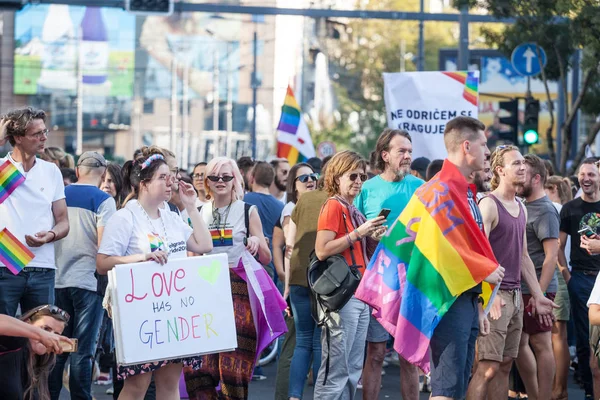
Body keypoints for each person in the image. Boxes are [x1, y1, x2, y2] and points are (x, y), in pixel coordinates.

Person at [97, 151, 212, 400]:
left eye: (171, 176)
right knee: (137, 387)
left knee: (169, 385)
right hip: (139, 316)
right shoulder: (124, 217)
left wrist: (192, 207)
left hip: (173, 315)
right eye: (163, 177)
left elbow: (204, 245)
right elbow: (102, 263)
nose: (170, 182)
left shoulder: (172, 217)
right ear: (144, 183)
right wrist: (140, 259)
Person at [467, 146, 557, 400]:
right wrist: (489, 296)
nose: (523, 167)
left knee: (505, 364)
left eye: (523, 163)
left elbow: (524, 257)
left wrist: (538, 295)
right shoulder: (489, 205)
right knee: (486, 367)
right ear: (499, 170)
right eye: (516, 163)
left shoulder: (521, 206)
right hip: (495, 296)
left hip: (516, 295)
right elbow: (477, 252)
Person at [184, 156, 272, 400]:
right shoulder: (197, 211)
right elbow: (190, 255)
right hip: (205, 291)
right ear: (207, 182)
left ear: (236, 180)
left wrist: (256, 242)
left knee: (234, 368)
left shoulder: (247, 211)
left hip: (239, 294)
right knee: (199, 367)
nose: (220, 181)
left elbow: (266, 257)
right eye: (214, 176)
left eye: (226, 176)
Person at [353, 128, 423, 400]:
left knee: (409, 356)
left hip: (414, 281)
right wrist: (370, 235)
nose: (407, 156)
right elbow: (355, 234)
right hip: (379, 282)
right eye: (401, 151)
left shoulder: (420, 187)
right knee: (376, 353)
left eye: (409, 151)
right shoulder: (366, 188)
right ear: (385, 155)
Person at [314, 150, 386, 399]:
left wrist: (372, 237)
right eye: (353, 176)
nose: (358, 181)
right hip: (344, 296)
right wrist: (359, 233)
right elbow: (322, 250)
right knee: (336, 370)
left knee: (352, 369)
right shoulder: (334, 206)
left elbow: (359, 251)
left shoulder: (351, 209)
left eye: (362, 177)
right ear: (337, 176)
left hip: (359, 293)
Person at [48, 151, 116, 400]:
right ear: (102, 174)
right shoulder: (104, 200)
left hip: (56, 279)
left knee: (56, 348)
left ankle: (49, 395)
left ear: (77, 171)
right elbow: (104, 244)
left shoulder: (59, 196)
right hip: (88, 282)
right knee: (82, 351)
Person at [0, 107, 69, 316]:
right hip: (5, 266)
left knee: (42, 338)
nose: (44, 138)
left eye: (45, 132)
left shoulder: (51, 171)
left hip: (43, 269)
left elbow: (63, 221)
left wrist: (51, 235)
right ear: (18, 137)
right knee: (4, 339)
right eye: (37, 134)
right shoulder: (2, 168)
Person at [514, 154, 560, 400]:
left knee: (541, 344)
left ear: (537, 178)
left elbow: (551, 256)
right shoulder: (521, 205)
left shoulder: (545, 210)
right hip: (519, 288)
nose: (519, 179)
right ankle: (534, 395)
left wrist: (539, 294)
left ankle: (544, 396)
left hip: (539, 288)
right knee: (519, 345)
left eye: (524, 175)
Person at [275, 162, 319, 400]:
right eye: (304, 178)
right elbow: (288, 248)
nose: (310, 180)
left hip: (310, 282)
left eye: (313, 176)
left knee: (308, 343)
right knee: (298, 345)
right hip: (301, 284)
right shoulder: (292, 208)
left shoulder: (311, 204)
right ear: (293, 185)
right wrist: (287, 286)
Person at [558, 158, 600, 400]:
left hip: (599, 279)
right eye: (582, 174)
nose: (586, 179)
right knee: (585, 340)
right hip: (581, 280)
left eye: (591, 175)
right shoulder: (570, 208)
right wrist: (567, 276)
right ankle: (588, 389)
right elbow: (558, 247)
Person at [0, 305, 73, 400]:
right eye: (46, 329)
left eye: (56, 334)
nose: (50, 337)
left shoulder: (42, 363)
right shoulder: (14, 343)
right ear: (27, 324)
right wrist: (40, 335)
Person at [544, 175, 573, 400]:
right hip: (563, 275)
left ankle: (556, 390)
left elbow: (555, 249)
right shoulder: (564, 208)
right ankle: (558, 390)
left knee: (553, 336)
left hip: (554, 274)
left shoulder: (551, 208)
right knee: (558, 336)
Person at [244, 162, 285, 285]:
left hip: (248, 264)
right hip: (273, 267)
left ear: (252, 178)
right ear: (272, 181)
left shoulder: (243, 202)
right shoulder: (281, 207)